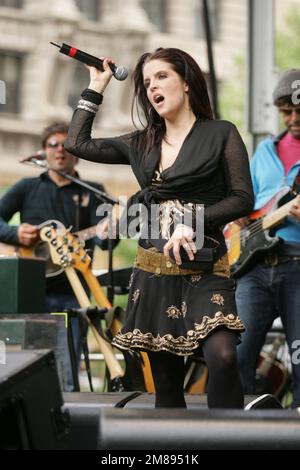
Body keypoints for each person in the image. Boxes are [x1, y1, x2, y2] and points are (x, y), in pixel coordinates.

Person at [65, 47, 254, 408]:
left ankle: (228, 440)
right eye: (147, 82)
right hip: (153, 272)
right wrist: (97, 86)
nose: (153, 87)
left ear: (186, 82)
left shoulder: (220, 134)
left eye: (162, 76)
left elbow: (243, 198)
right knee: (166, 382)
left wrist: (192, 222)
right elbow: (77, 143)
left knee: (224, 356)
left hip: (204, 267)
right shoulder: (142, 141)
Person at [0, 121, 113, 391]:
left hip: (73, 294)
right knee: (28, 367)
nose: (60, 150)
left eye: (66, 145)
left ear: (76, 152)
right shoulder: (26, 187)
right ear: (43, 152)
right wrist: (15, 234)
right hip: (29, 291)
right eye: (53, 145)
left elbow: (107, 243)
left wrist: (108, 232)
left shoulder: (92, 191)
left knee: (65, 370)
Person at [235, 69, 300, 408]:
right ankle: (241, 428)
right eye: (285, 111)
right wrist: (240, 218)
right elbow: (245, 203)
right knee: (235, 353)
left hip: (297, 265)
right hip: (253, 266)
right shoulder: (264, 150)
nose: (292, 119)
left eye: (299, 111)